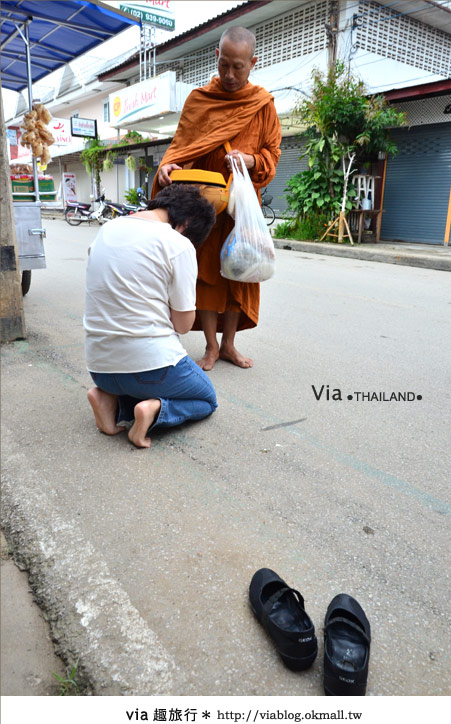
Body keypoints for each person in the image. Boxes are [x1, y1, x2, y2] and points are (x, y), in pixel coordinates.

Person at [151, 25, 281, 371]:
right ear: (217, 57)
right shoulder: (199, 100)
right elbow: (180, 150)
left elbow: (272, 156)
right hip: (206, 206)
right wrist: (166, 168)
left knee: (240, 274)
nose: (229, 74)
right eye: (224, 64)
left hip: (240, 210)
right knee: (207, 277)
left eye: (238, 66)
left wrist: (250, 160)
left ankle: (229, 346)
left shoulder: (262, 104)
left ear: (253, 62)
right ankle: (210, 347)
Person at [84, 184, 217, 449]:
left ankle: (110, 401)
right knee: (206, 399)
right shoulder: (177, 244)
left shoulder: (107, 229)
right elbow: (182, 325)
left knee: (127, 379)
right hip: (151, 367)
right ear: (186, 224)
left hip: (99, 367)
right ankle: (152, 412)